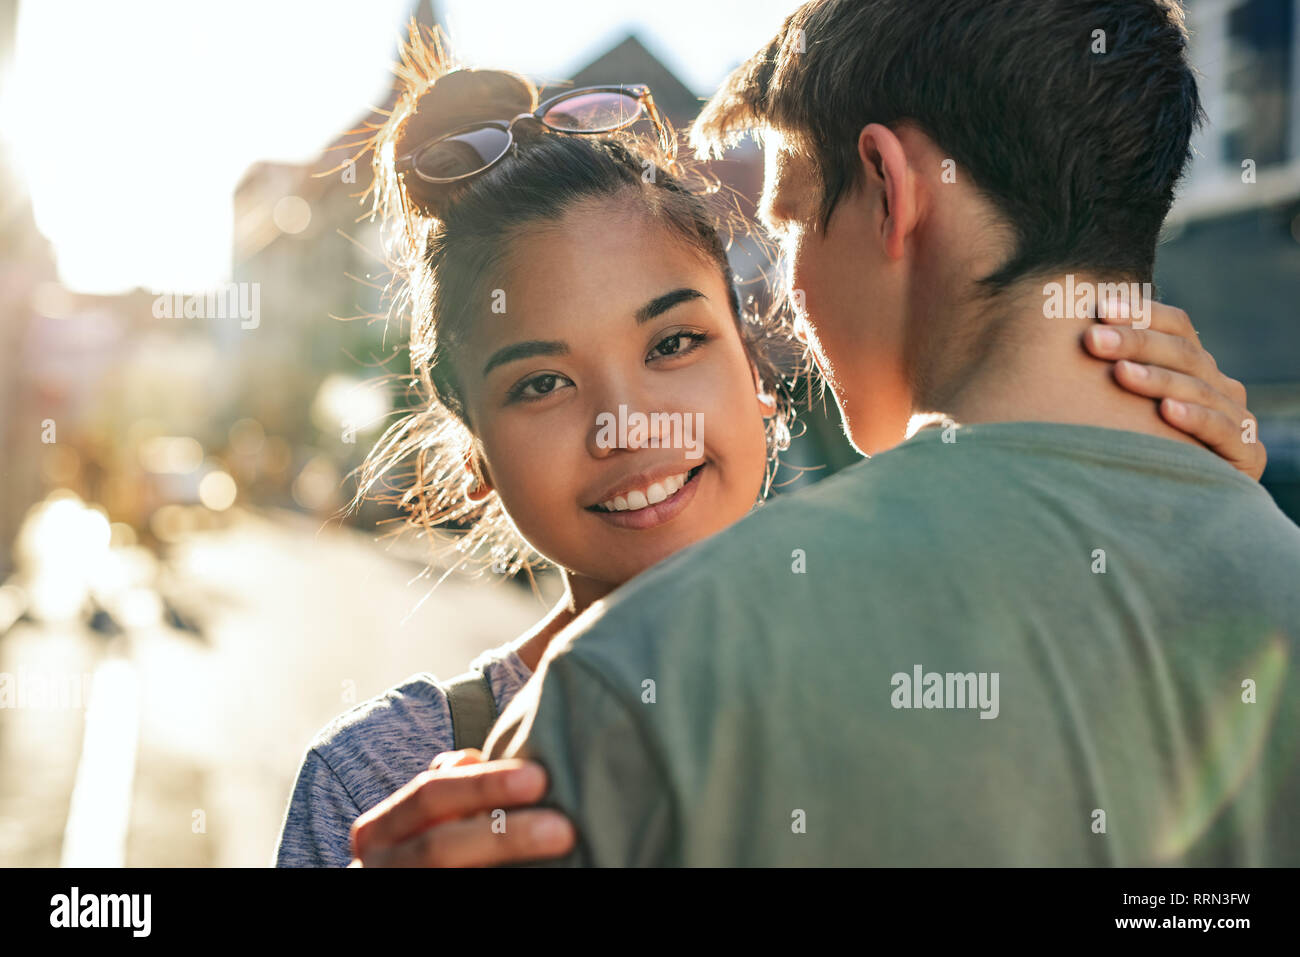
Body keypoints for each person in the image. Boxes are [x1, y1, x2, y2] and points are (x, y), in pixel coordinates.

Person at [345, 6, 1297, 868]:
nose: (628, 423)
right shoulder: (1243, 556)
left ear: (889, 186)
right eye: (541, 382)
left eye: (792, 220)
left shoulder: (616, 703)